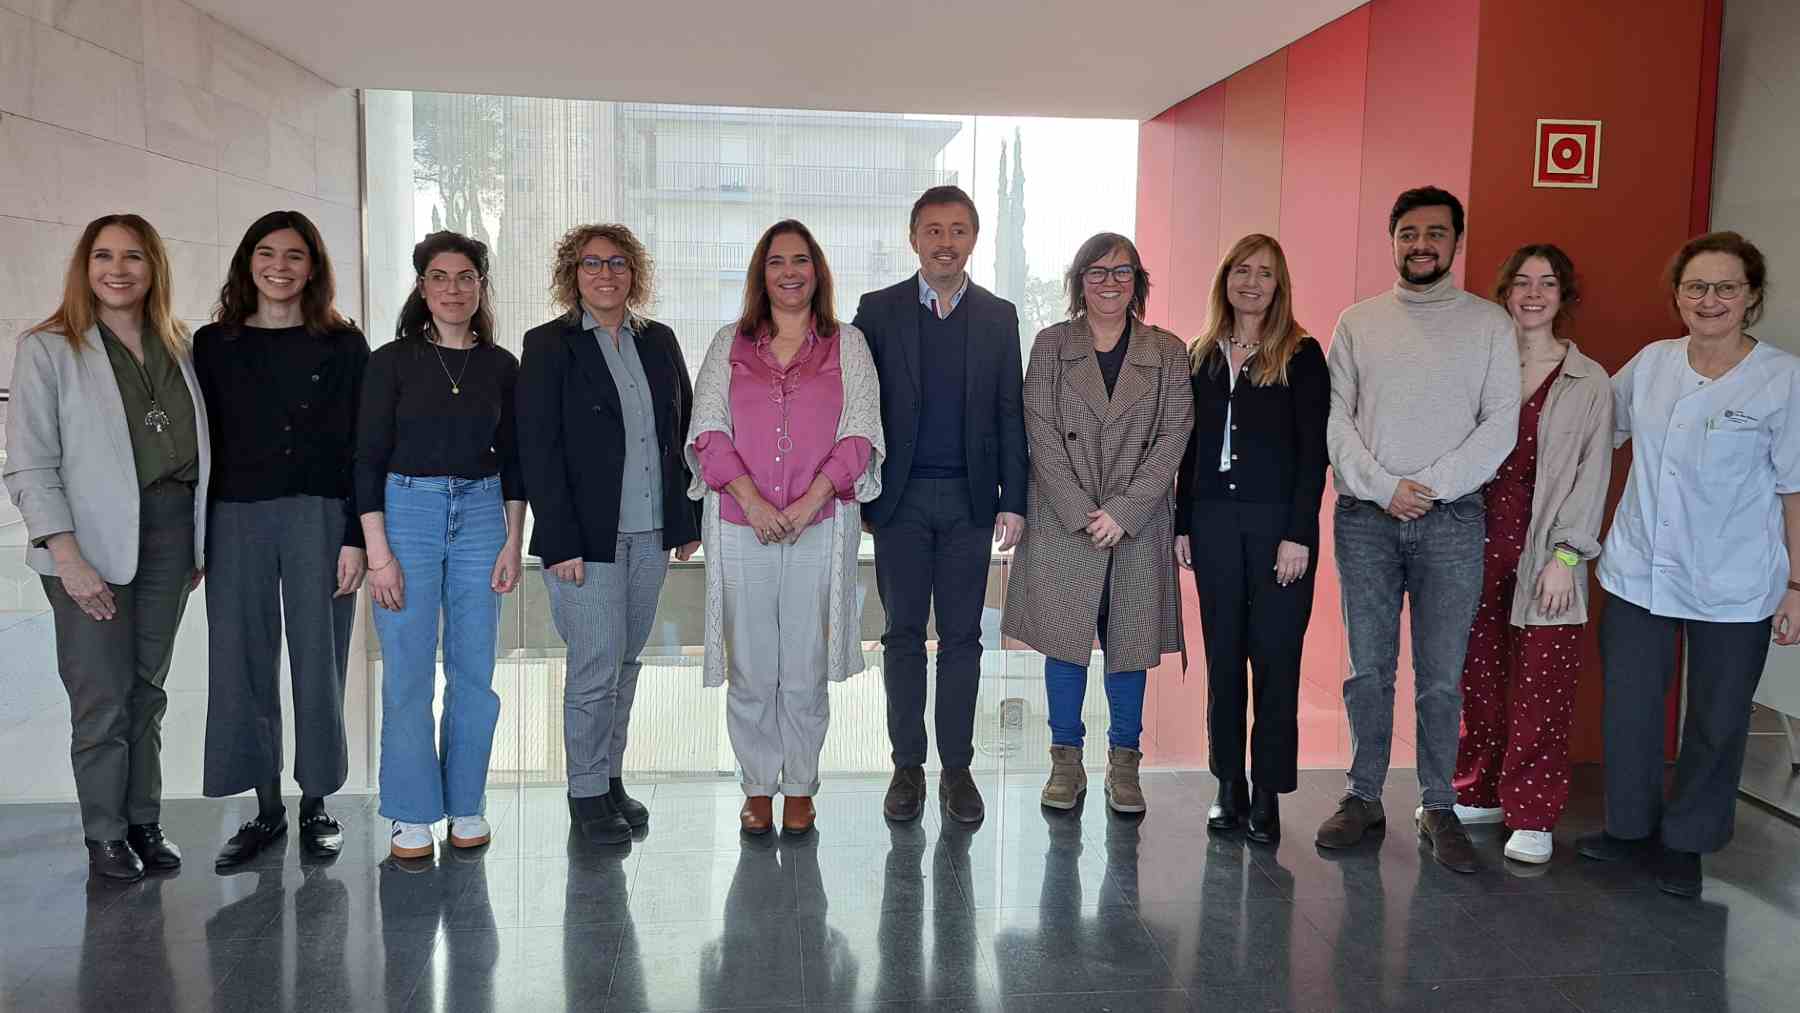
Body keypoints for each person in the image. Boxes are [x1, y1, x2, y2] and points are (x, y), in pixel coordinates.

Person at [1578, 232, 1800, 897]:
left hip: (1737, 579)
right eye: (1697, 286)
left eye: (1727, 286)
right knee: (1632, 708)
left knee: (1718, 714)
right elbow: (1594, 427)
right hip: (1639, 568)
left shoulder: (1782, 377)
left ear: (1751, 296)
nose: (1711, 300)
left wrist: (1796, 583)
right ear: (1677, 294)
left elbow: (1795, 486)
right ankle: (1629, 829)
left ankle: (1687, 842)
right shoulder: (1651, 363)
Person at [1319, 186, 1520, 873]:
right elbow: (1335, 422)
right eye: (1409, 233)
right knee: (1368, 670)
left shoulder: (1489, 324)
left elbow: (1501, 424)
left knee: (1441, 677)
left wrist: (1428, 487)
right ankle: (1362, 794)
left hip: (1454, 519)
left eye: (1436, 233)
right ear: (1393, 241)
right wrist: (1385, 488)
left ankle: (1438, 805)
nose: (1422, 244)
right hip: (1366, 520)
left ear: (1456, 243)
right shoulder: (1358, 322)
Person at [4, 215, 210, 882]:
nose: (117, 269)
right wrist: (66, 556)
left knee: (147, 692)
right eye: (103, 256)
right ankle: (104, 833)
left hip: (172, 537)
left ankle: (144, 820)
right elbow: (29, 463)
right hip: (87, 546)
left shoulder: (176, 344)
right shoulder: (48, 348)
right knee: (101, 697)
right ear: (84, 266)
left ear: (154, 268)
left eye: (133, 256)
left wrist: (198, 538)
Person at [686, 220, 885, 836]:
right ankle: (757, 787)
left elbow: (861, 432)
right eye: (777, 261)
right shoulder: (729, 344)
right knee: (751, 665)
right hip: (741, 526)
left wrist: (804, 505)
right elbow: (708, 431)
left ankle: (799, 784)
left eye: (802, 260)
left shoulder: (847, 344)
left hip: (818, 526)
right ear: (761, 273)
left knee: (801, 663)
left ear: (818, 272)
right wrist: (753, 501)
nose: (790, 272)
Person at [195, 211, 371, 869]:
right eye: (266, 253)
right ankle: (265, 809)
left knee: (319, 661)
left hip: (320, 516)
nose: (279, 266)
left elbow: (362, 448)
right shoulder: (213, 344)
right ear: (247, 262)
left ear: (313, 267)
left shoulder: (345, 346)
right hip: (234, 517)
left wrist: (356, 534)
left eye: (294, 255)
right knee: (241, 658)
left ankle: (317, 803)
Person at [516, 224, 702, 846]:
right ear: (573, 273)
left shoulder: (660, 341)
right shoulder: (548, 346)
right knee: (594, 665)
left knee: (625, 661)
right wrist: (559, 541)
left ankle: (609, 777)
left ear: (634, 272)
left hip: (650, 531)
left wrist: (685, 520)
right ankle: (585, 792)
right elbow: (538, 449)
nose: (605, 274)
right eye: (591, 263)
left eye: (617, 263)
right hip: (585, 539)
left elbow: (679, 433)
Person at [852, 185, 1028, 825]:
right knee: (901, 635)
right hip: (898, 501)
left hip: (971, 501)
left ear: (973, 239)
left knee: (962, 638)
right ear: (914, 238)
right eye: (933, 230)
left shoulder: (998, 315)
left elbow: (1011, 410)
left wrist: (1017, 499)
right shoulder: (878, 310)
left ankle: (957, 769)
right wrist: (862, 491)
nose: (945, 241)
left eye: (957, 230)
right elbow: (860, 409)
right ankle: (906, 768)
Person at [1003, 233, 1193, 815]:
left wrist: (1125, 512)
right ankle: (1065, 763)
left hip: (1137, 524)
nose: (1109, 283)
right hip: (1068, 521)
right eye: (1096, 272)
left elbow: (1175, 435)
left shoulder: (1166, 350)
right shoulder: (1052, 345)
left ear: (1138, 282)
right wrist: (1079, 508)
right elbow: (1038, 430)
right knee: (1064, 647)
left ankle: (1123, 764)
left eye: (1122, 272)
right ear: (1077, 281)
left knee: (1128, 648)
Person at [357, 231, 526, 860]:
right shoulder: (391, 361)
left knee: (473, 674)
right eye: (439, 277)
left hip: (485, 514)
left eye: (465, 277)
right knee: (406, 671)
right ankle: (410, 812)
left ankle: (466, 804)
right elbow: (366, 457)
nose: (452, 289)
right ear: (421, 286)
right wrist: (379, 552)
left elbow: (514, 460)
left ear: (481, 286)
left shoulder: (502, 366)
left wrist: (512, 540)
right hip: (407, 512)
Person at [1450, 244, 1613, 866]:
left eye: (1547, 282)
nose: (1533, 292)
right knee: (1478, 677)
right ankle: (1480, 788)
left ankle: (1534, 812)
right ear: (1505, 293)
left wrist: (1568, 558)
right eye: (1521, 282)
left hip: (1547, 552)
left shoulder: (1588, 380)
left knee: (1542, 683)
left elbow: (1592, 472)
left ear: (1563, 295)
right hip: (1471, 541)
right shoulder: (1478, 366)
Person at [1174, 234, 1328, 844]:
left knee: (1274, 658)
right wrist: (1182, 522)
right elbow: (1185, 449)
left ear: (1279, 284)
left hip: (1276, 530)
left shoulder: (1302, 354)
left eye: (1265, 272)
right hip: (1212, 523)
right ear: (1225, 279)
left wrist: (1298, 534)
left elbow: (1312, 455)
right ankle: (1227, 786)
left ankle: (1268, 792)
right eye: (1242, 269)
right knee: (1223, 659)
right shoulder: (1201, 354)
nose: (1253, 282)